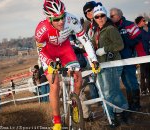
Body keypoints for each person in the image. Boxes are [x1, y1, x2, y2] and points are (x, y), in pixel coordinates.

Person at [35, 0, 98, 129]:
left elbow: (85, 40)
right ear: (49, 18)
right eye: (57, 19)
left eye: (63, 16)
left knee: (78, 79)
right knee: (54, 84)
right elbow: (40, 51)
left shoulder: (71, 20)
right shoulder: (41, 29)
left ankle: (75, 105)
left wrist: (93, 59)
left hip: (65, 49)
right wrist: (49, 62)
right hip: (48, 53)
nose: (61, 21)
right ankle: (57, 121)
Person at [92, 5, 128, 126]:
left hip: (112, 65)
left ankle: (111, 118)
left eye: (102, 15)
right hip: (103, 65)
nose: (100, 18)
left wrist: (104, 49)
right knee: (113, 91)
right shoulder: (97, 30)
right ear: (95, 18)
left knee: (107, 93)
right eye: (97, 16)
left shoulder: (110, 28)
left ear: (105, 16)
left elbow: (120, 45)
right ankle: (122, 112)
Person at [110, 8, 146, 111]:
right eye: (110, 16)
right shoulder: (112, 27)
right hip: (118, 59)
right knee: (125, 82)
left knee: (132, 80)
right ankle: (131, 104)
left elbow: (138, 37)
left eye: (113, 15)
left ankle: (136, 104)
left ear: (119, 15)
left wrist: (128, 44)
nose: (111, 17)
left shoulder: (129, 24)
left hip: (128, 58)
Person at [135, 16, 150, 96]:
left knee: (143, 74)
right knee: (146, 74)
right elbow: (148, 37)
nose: (145, 22)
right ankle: (145, 89)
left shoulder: (140, 31)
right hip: (143, 55)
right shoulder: (140, 31)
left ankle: (143, 90)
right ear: (139, 22)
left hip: (144, 55)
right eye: (143, 21)